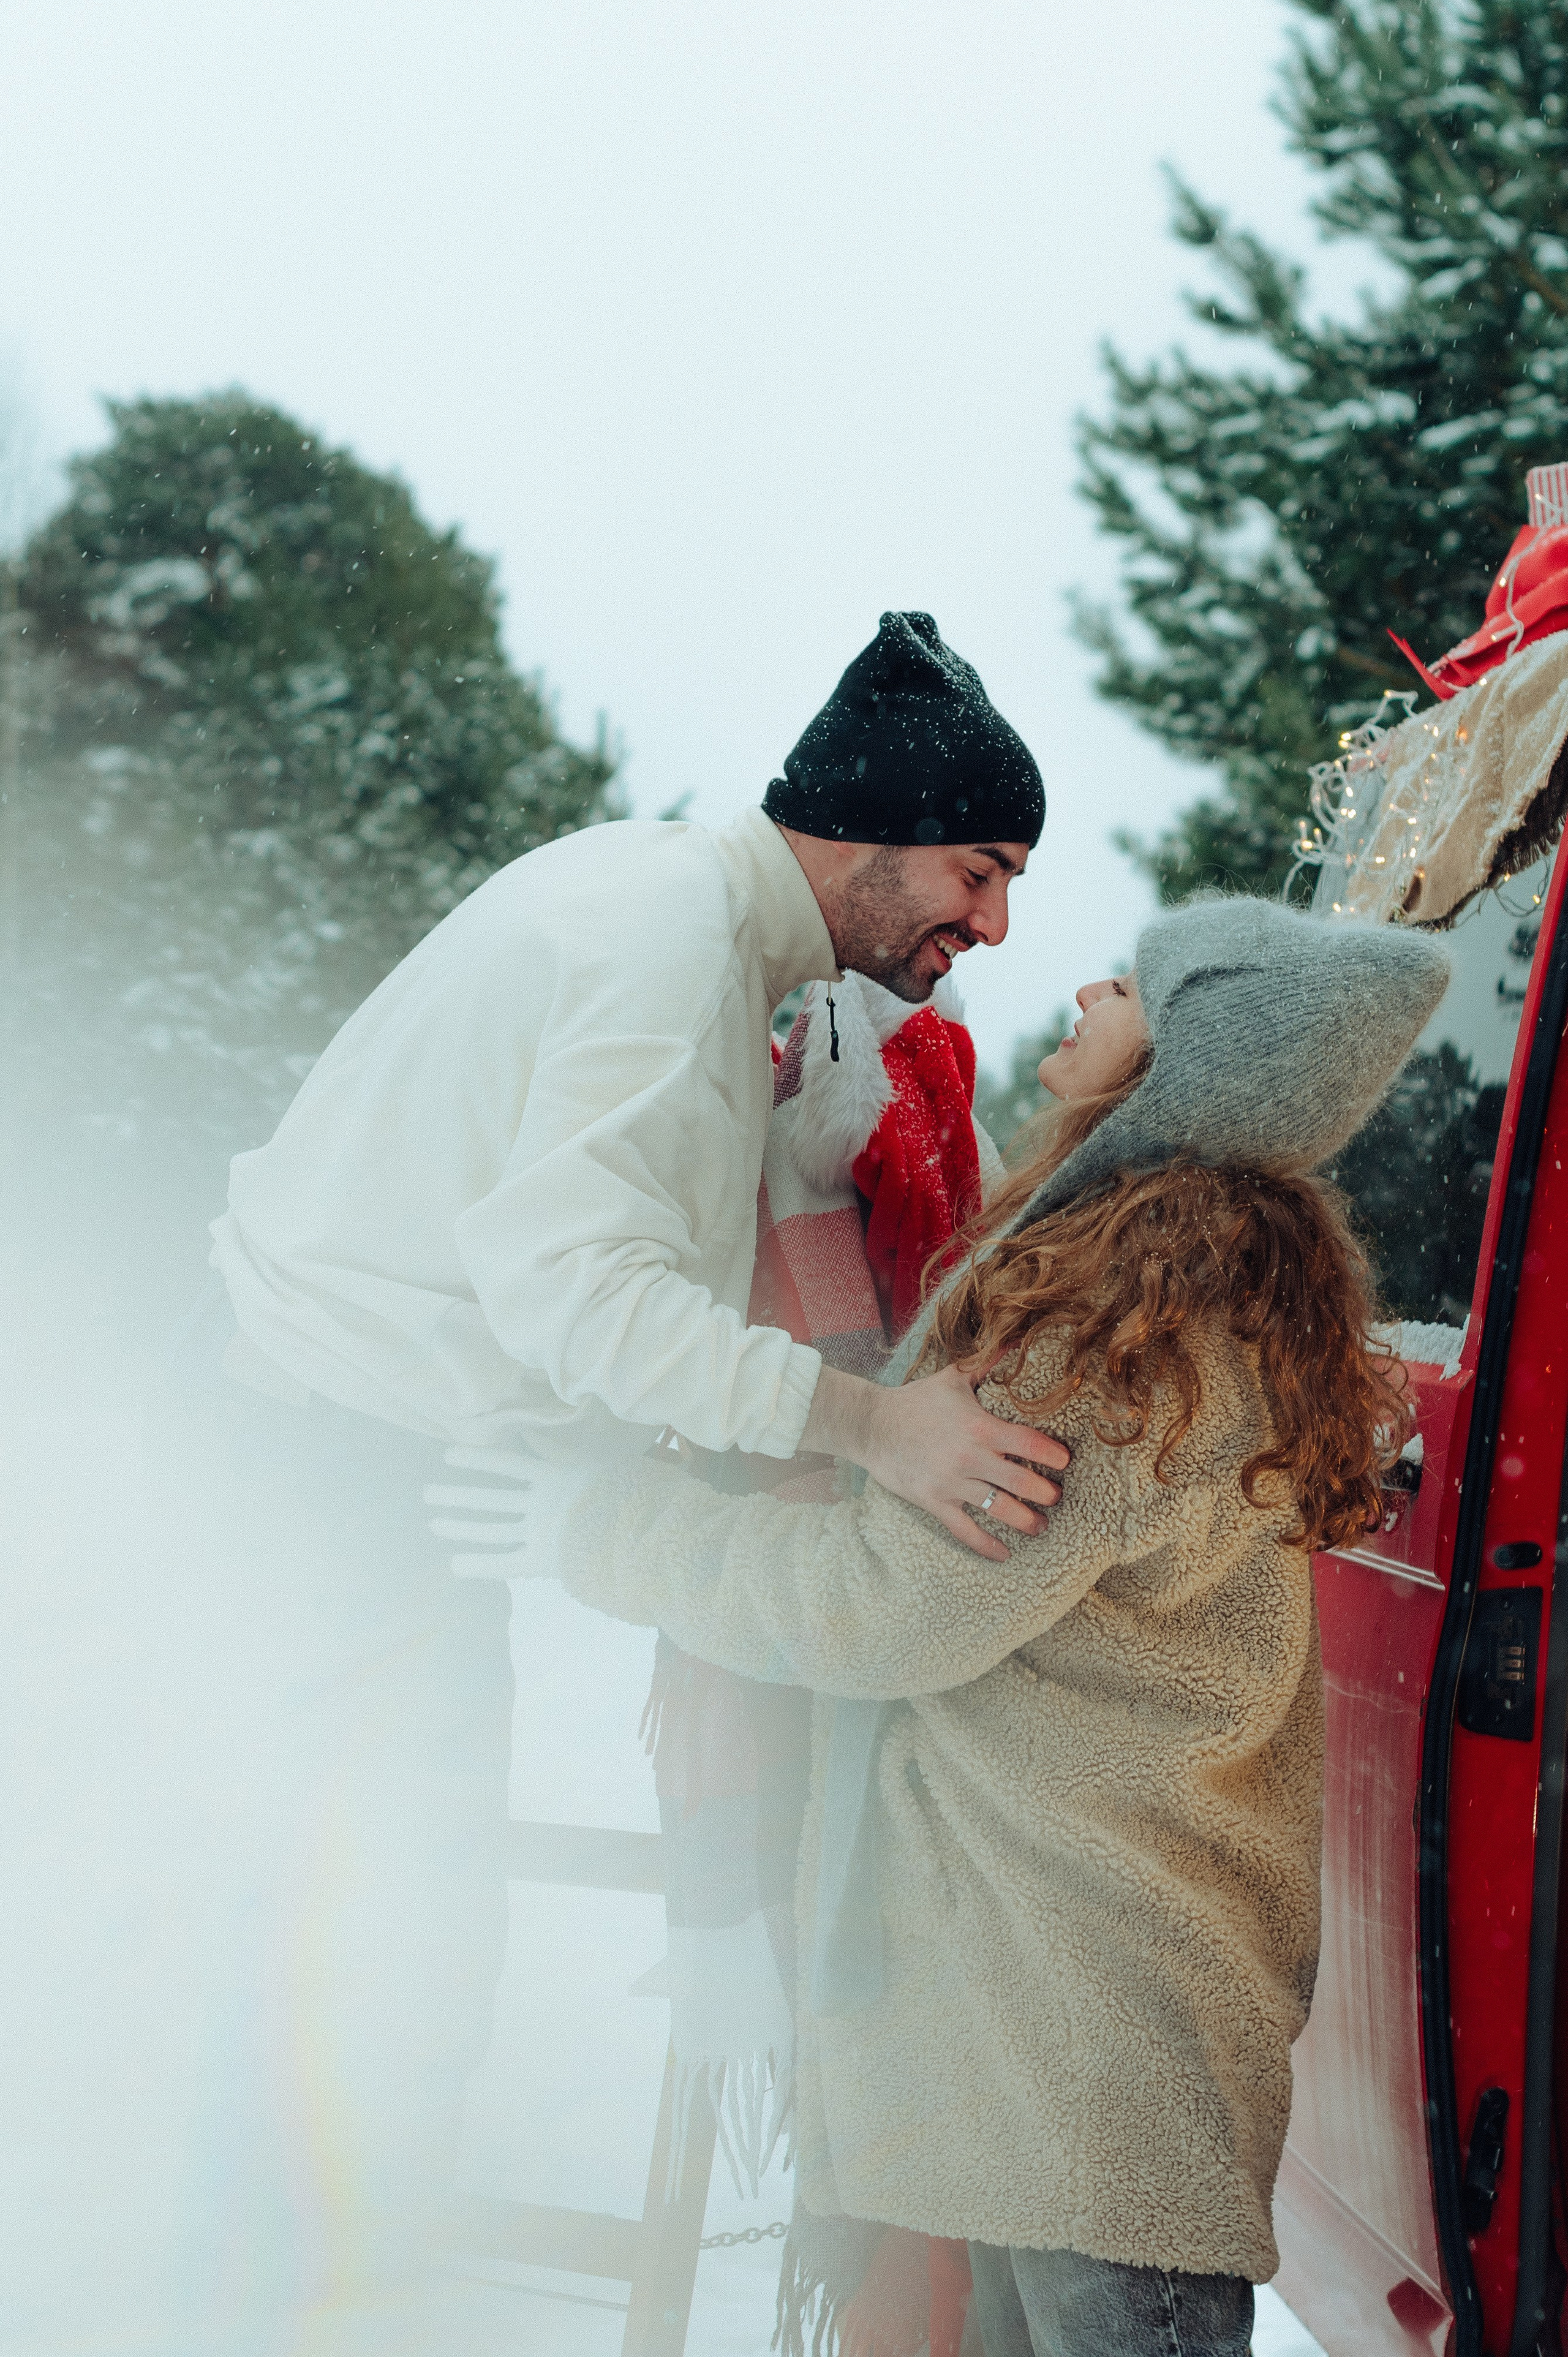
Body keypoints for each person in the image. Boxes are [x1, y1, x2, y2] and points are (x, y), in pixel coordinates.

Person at [159, 609, 1062, 2334]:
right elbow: (577, 1288)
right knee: (378, 1920)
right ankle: (286, 2296)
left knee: (373, 1902)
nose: (993, 924)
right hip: (316, 1452)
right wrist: (879, 1428)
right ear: (869, 828)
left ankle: (295, 2266)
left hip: (339, 1443)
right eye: (977, 867)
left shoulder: (706, 942)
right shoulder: (665, 942)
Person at [455, 894, 1450, 2357]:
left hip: (1088, 2025)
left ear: (1195, 1058)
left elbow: (878, 1605)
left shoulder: (1123, 1338)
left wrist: (596, 1529)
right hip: (1087, 1997)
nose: (1093, 984)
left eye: (1139, 983)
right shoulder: (1191, 1293)